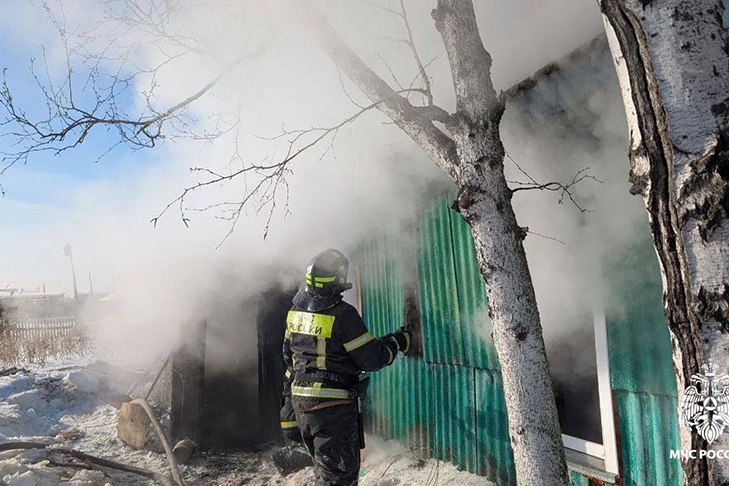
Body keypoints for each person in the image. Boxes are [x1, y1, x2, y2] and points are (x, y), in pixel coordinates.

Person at [283, 248, 409, 485]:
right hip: (331, 407)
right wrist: (397, 342)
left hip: (302, 404)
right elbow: (372, 358)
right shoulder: (343, 315)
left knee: (327, 473)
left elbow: (288, 358)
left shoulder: (295, 312)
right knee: (339, 478)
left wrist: (288, 403)